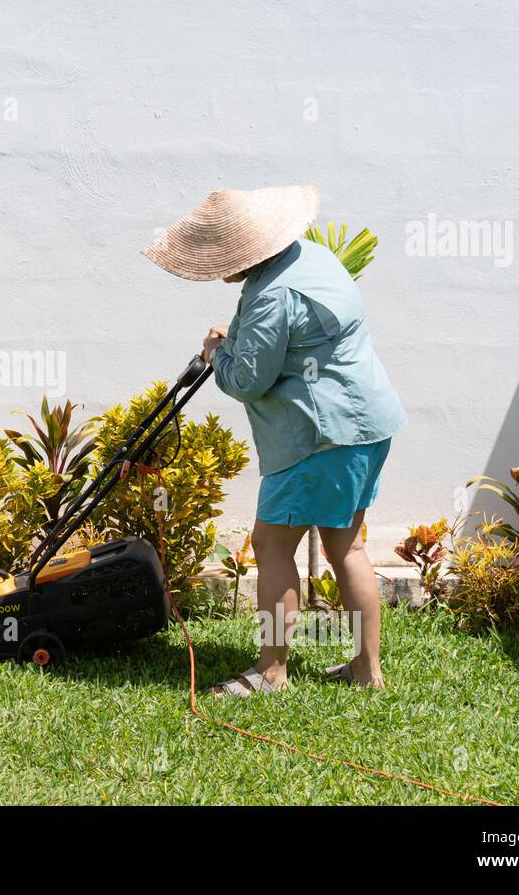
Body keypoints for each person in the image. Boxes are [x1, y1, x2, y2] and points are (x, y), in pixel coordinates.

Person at [140, 185, 406, 695]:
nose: (220, 270)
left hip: (319, 438)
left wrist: (218, 355)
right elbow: (292, 337)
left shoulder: (270, 295)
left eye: (222, 259)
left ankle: (271, 671)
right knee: (345, 545)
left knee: (271, 544)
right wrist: (236, 338)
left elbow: (248, 381)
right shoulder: (312, 259)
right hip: (367, 426)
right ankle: (367, 671)